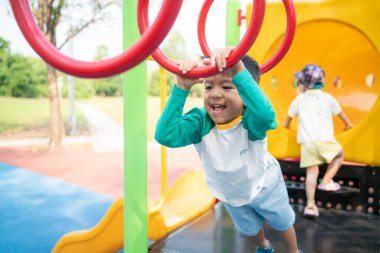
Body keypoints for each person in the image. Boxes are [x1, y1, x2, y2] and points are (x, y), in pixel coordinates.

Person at [155, 47, 302, 253]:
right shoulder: (201, 121)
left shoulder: (250, 120)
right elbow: (165, 135)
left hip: (265, 185)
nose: (215, 94)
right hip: (231, 194)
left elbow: (267, 116)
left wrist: (239, 69)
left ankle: (294, 251)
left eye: (226, 86)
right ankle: (265, 247)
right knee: (250, 231)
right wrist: (181, 88)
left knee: (282, 222)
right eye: (208, 87)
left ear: (245, 93)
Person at [283, 64, 353, 218]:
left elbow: (288, 118)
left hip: (307, 143)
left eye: (299, 82)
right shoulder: (327, 97)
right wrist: (348, 125)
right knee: (339, 155)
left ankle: (310, 206)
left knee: (312, 173)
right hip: (325, 140)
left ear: (304, 84)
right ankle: (326, 181)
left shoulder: (299, 99)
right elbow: (341, 114)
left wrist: (285, 126)